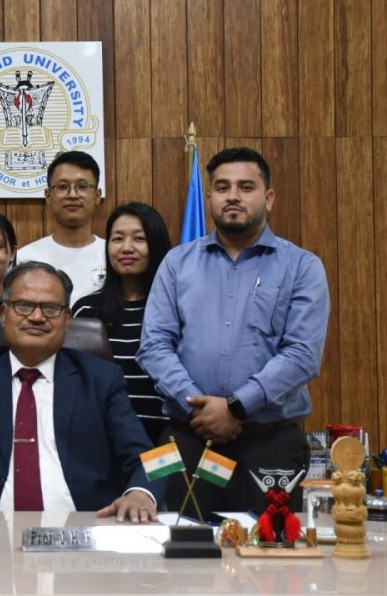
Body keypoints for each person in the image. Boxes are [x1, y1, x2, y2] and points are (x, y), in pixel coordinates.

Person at [137, 146, 330, 519]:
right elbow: (155, 345)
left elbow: (303, 354)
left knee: (271, 557)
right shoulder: (176, 263)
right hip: (186, 436)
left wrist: (236, 407)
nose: (233, 197)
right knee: (178, 550)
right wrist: (202, 408)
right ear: (209, 197)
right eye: (223, 187)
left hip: (270, 441)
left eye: (246, 187)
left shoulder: (302, 267)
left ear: (268, 197)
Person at [0, 261, 164, 523]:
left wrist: (141, 494)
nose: (37, 317)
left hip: (83, 537)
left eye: (51, 308)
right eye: (24, 305)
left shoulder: (101, 377)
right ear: (4, 314)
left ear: (67, 320)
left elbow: (153, 458)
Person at [73, 202, 172, 444]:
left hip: (166, 440)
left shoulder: (176, 310)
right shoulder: (86, 310)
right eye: (117, 239)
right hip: (101, 440)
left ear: (156, 245)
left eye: (139, 239)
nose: (126, 248)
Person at [15, 151, 105, 303]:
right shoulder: (25, 258)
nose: (72, 195)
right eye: (62, 187)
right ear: (48, 196)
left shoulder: (113, 256)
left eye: (82, 186)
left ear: (97, 196)